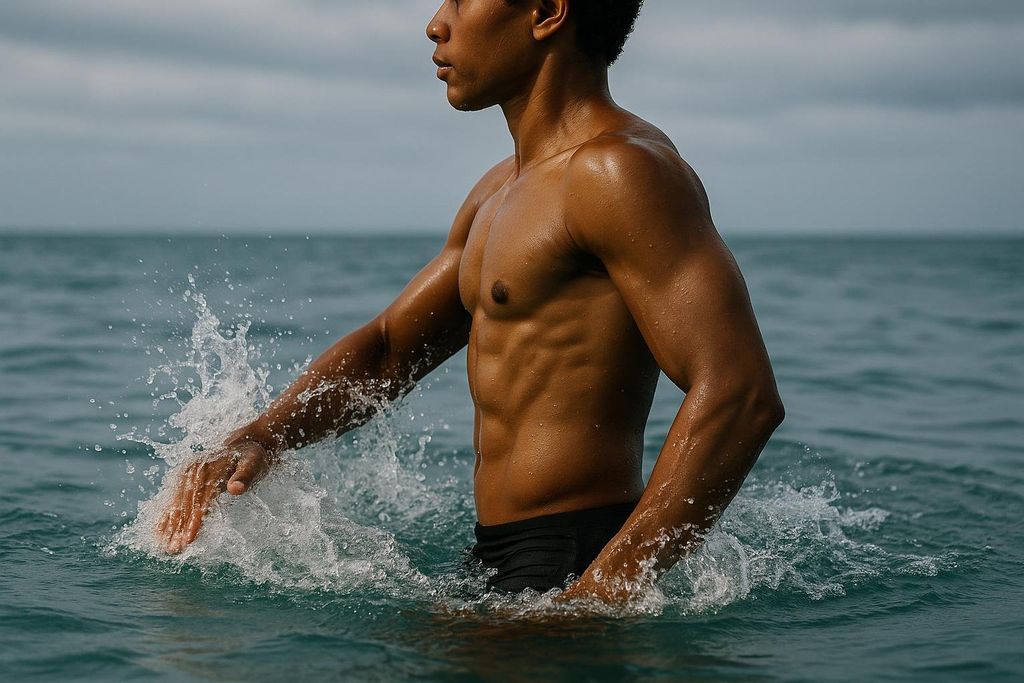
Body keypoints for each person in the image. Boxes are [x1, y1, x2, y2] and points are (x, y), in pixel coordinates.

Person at [156, 0, 785, 604]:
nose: (435, 24)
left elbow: (739, 392)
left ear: (546, 13)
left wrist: (604, 590)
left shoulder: (618, 173)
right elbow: (387, 352)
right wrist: (263, 436)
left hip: (572, 559)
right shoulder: (500, 190)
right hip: (498, 562)